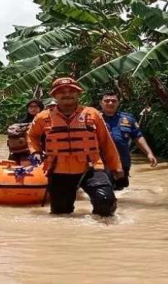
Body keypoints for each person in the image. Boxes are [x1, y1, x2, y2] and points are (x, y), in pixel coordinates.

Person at [27, 77, 123, 217]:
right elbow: (32, 136)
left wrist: (117, 167)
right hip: (58, 169)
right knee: (61, 213)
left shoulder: (92, 114)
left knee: (105, 202)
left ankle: (101, 232)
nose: (67, 94)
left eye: (71, 91)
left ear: (78, 93)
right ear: (54, 95)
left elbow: (106, 142)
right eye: (61, 91)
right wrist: (35, 151)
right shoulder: (43, 117)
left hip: (90, 167)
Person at [101, 92, 158, 190]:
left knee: (119, 189)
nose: (110, 103)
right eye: (107, 101)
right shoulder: (94, 118)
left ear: (118, 103)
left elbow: (138, 137)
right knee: (104, 190)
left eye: (113, 101)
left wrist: (149, 153)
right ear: (101, 103)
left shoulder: (127, 119)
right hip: (101, 162)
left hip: (123, 161)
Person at [7, 99, 44, 164]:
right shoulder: (20, 122)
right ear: (27, 109)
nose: (33, 109)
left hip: (32, 151)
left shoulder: (44, 121)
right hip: (23, 153)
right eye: (31, 107)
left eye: (35, 106)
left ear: (40, 108)